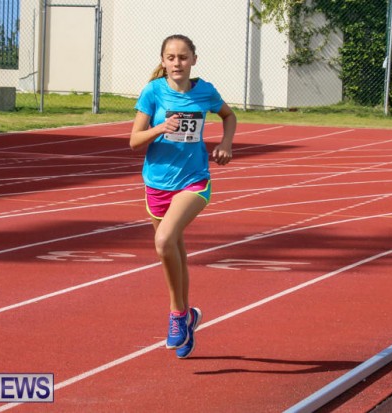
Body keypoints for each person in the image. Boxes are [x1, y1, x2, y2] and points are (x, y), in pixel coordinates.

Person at [130, 34, 236, 358]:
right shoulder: (152, 92)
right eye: (171, 57)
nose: (177, 63)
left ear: (194, 60)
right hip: (157, 183)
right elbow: (134, 141)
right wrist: (160, 128)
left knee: (163, 241)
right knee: (173, 250)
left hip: (194, 181)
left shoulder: (205, 91)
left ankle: (177, 315)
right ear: (163, 61)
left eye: (183, 57)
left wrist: (226, 144)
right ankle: (187, 316)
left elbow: (228, 115)